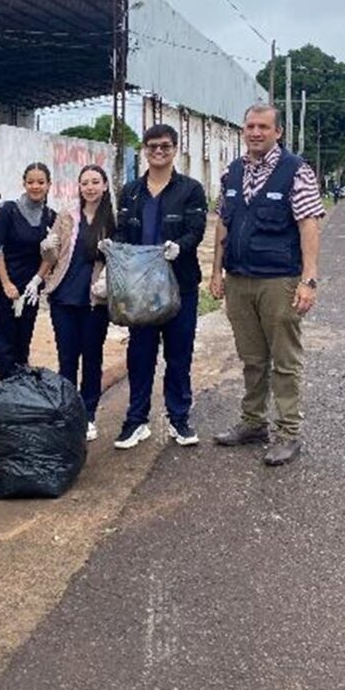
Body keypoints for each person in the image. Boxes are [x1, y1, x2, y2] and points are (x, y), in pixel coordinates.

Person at [210, 103, 324, 466]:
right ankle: (253, 423)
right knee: (252, 358)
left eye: (263, 127)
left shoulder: (295, 170)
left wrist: (308, 279)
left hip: (279, 281)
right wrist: (216, 271)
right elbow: (223, 222)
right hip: (239, 280)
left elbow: (308, 224)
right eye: (250, 126)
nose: (256, 132)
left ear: (278, 132)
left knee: (285, 361)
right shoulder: (233, 171)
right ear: (243, 130)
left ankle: (288, 433)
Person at [111, 124, 208, 450]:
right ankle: (136, 420)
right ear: (145, 150)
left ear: (174, 149)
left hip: (180, 285)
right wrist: (113, 251)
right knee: (140, 355)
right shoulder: (131, 191)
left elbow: (196, 230)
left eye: (165, 146)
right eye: (152, 146)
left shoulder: (190, 190)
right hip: (140, 290)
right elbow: (122, 232)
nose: (158, 152)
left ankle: (178, 418)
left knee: (179, 354)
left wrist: (180, 247)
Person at [41, 164, 115, 442]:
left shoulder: (112, 220)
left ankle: (88, 415)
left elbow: (119, 258)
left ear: (105, 185)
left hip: (95, 300)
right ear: (79, 187)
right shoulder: (67, 215)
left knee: (92, 359)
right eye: (85, 183)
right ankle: (68, 413)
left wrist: (107, 280)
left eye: (95, 182)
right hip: (64, 297)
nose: (90, 187)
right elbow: (53, 254)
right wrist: (47, 248)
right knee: (67, 358)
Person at [0, 163, 56, 380]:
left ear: (48, 185)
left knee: (24, 337)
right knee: (4, 341)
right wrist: (6, 283)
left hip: (30, 287)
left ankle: (21, 387)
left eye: (41, 182)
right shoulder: (9, 211)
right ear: (24, 184)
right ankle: (8, 386)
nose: (35, 186)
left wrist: (37, 279)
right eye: (31, 182)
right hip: (4, 285)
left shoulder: (50, 217)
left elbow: (51, 254)